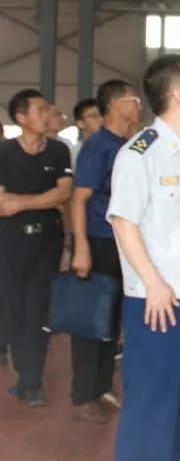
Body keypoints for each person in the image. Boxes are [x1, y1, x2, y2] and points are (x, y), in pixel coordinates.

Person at [106, 54, 180, 461]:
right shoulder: (141, 153)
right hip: (160, 302)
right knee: (152, 409)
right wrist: (153, 283)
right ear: (178, 94)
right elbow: (124, 223)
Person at [68, 79, 143, 423]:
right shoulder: (98, 146)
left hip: (124, 244)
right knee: (90, 320)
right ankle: (83, 394)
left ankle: (101, 388)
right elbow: (79, 199)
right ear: (114, 105)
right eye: (132, 100)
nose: (138, 105)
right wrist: (81, 248)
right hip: (99, 242)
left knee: (111, 321)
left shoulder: (129, 145)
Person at [0, 89, 74, 407]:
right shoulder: (4, 152)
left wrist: (20, 203)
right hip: (10, 241)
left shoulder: (58, 151)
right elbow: (1, 205)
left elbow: (64, 194)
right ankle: (22, 371)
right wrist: (43, 200)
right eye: (39, 110)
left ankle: (32, 381)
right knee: (12, 309)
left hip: (47, 241)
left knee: (38, 309)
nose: (47, 115)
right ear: (21, 118)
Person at [72, 98, 104, 169]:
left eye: (102, 115)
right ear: (80, 123)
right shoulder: (74, 152)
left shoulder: (111, 147)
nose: (101, 120)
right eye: (94, 116)